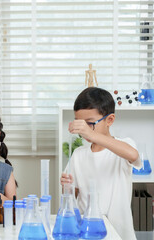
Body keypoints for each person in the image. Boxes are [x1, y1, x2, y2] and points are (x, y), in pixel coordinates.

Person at [60, 87, 141, 240]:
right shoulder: (79, 154)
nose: (84, 131)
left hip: (119, 233)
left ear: (109, 120)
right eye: (80, 124)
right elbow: (73, 196)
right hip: (88, 231)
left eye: (89, 124)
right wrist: (67, 186)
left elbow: (133, 155)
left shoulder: (123, 146)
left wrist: (91, 134)